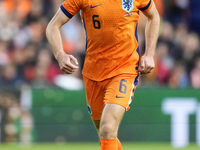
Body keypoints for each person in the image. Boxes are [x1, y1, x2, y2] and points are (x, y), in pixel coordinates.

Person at [46, 0, 160, 149]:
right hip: (93, 73)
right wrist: (60, 55)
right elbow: (52, 26)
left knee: (107, 128)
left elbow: (154, 17)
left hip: (124, 69)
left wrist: (149, 54)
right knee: (106, 135)